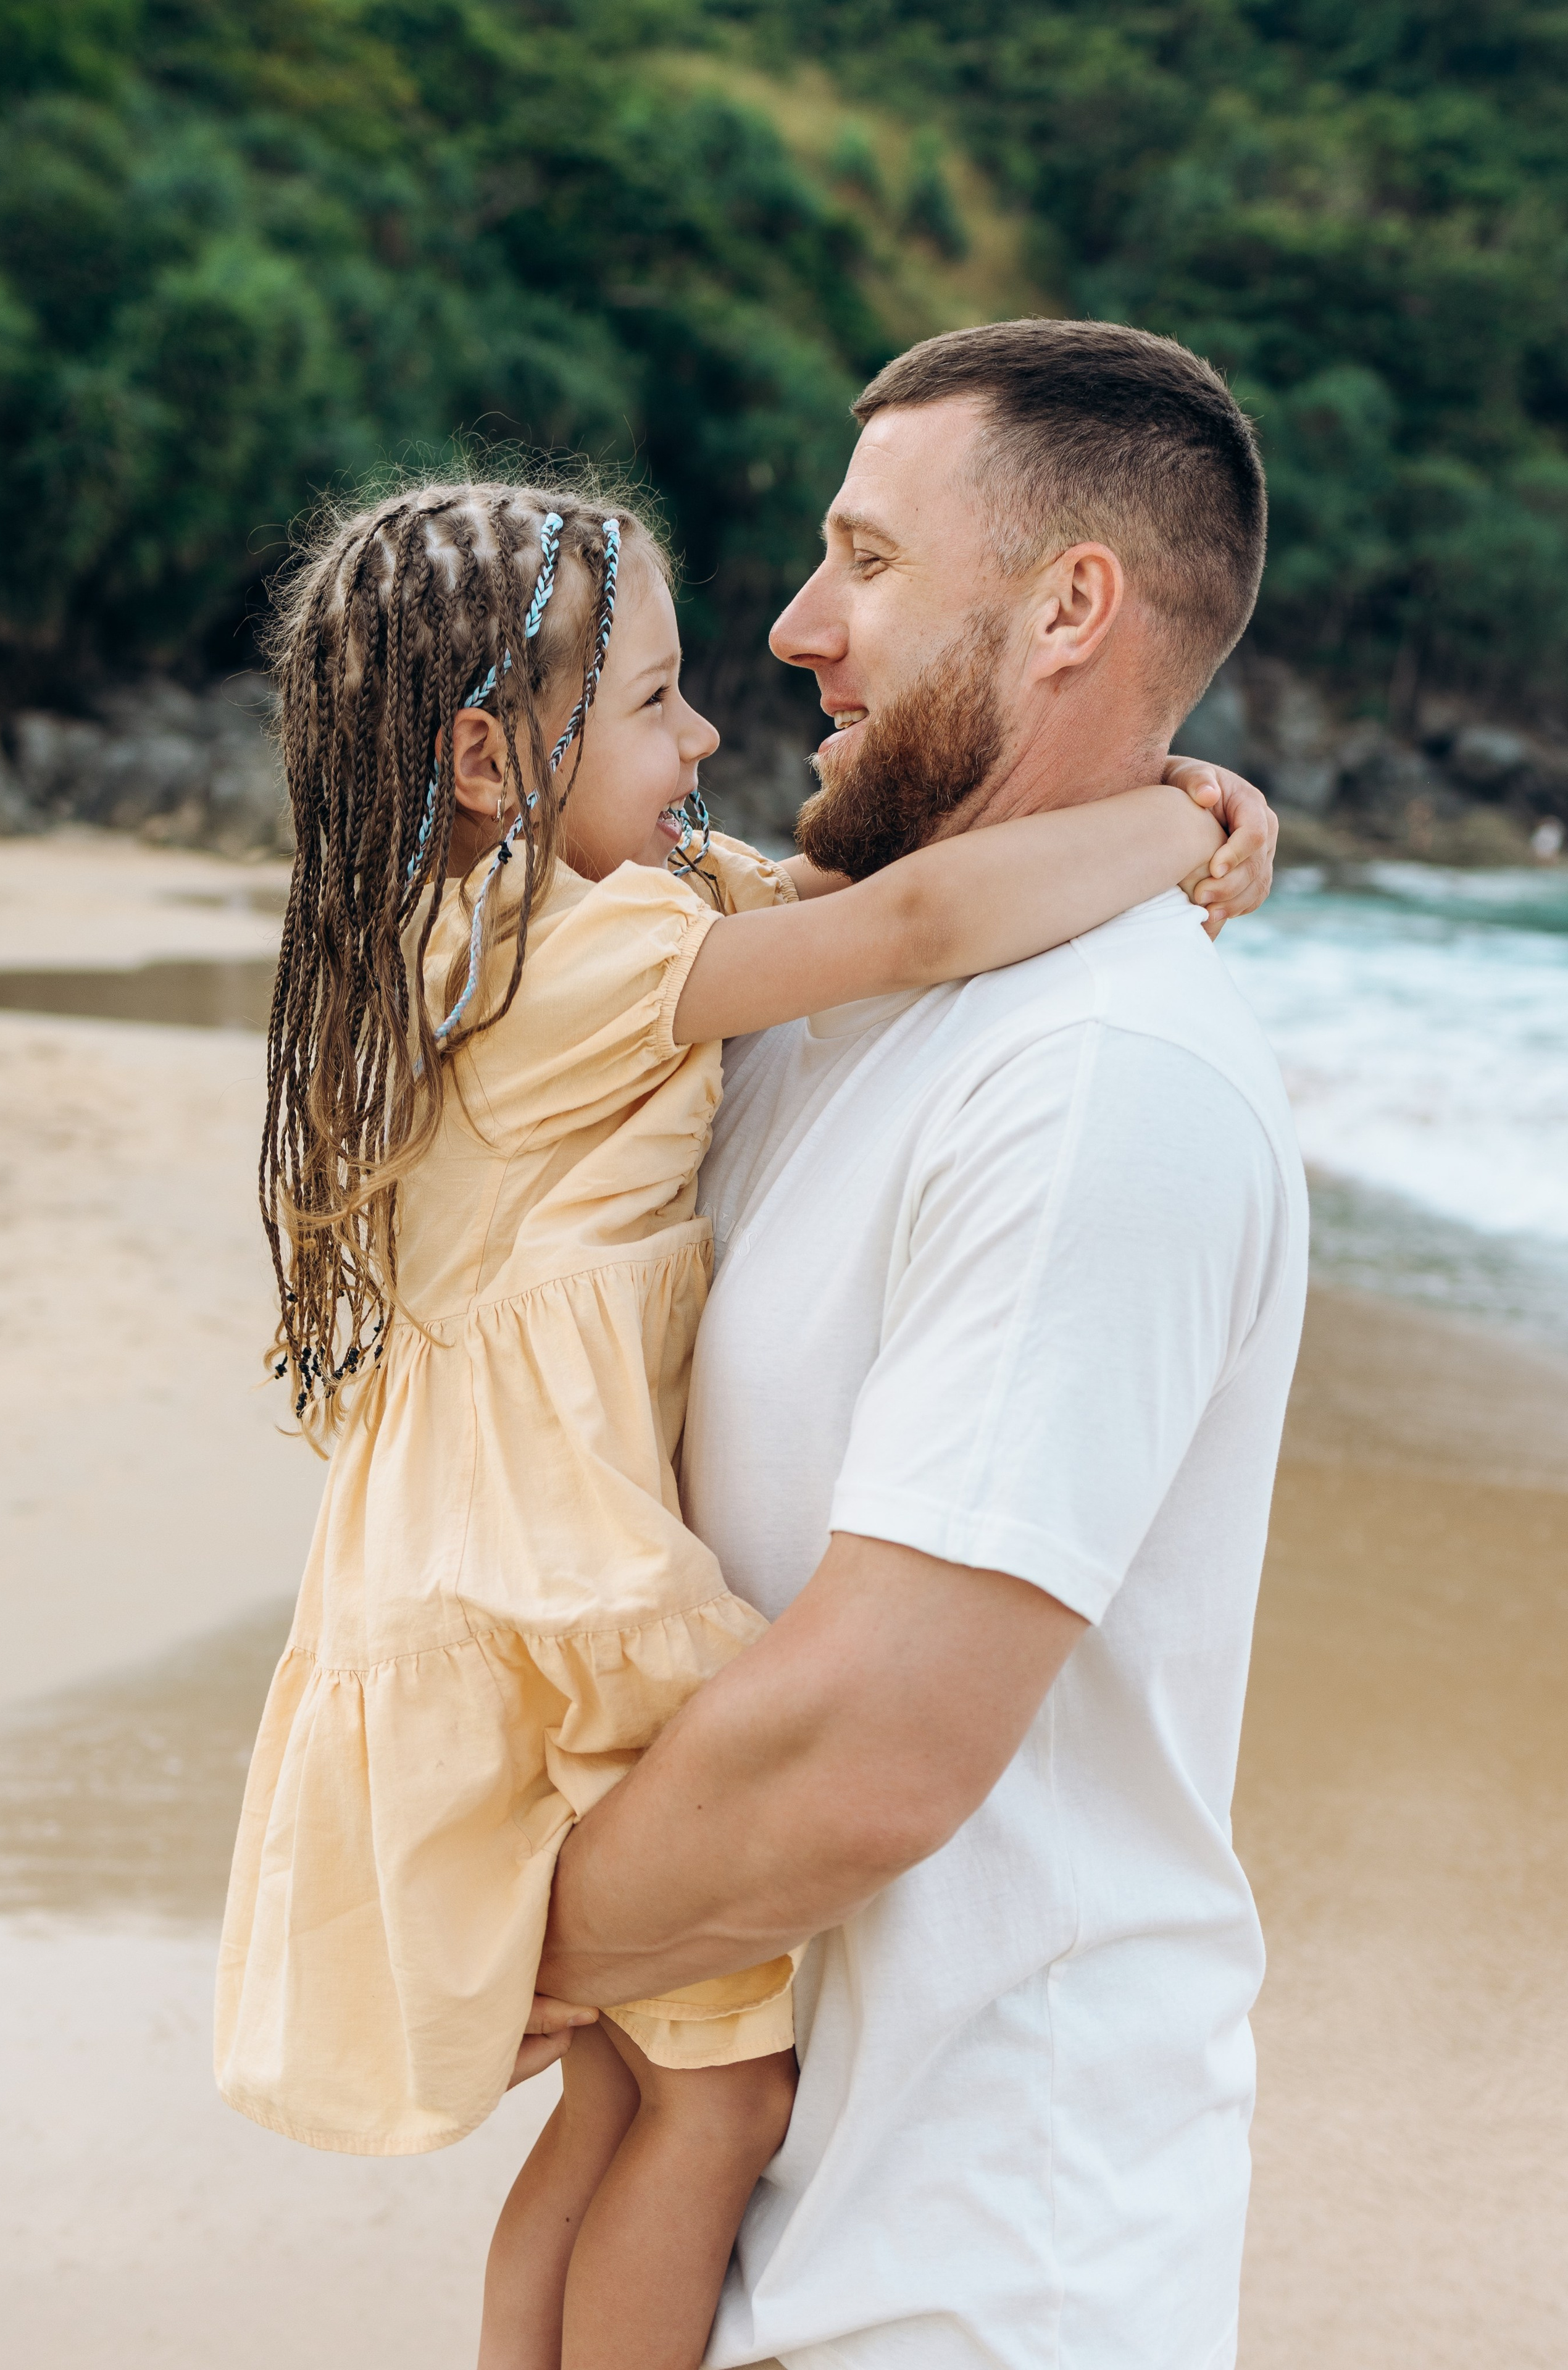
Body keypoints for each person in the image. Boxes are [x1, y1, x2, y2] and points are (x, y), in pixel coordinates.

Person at [212, 471, 1271, 2370]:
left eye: (857, 564)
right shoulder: (574, 956)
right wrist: (1173, 823)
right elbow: (921, 920)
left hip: (472, 1561)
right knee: (712, 2101)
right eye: (652, 703)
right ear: (483, 755)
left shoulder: (512, 931)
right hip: (561, 1563)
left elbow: (839, 897)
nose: (713, 730)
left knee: (615, 2093)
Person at [531, 320, 1309, 2370]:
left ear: (1072, 609)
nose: (794, 629)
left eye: (865, 561)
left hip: (976, 2273)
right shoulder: (808, 998)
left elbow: (871, 1744)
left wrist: (480, 1948)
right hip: (743, 2219)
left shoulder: (1101, 1078)